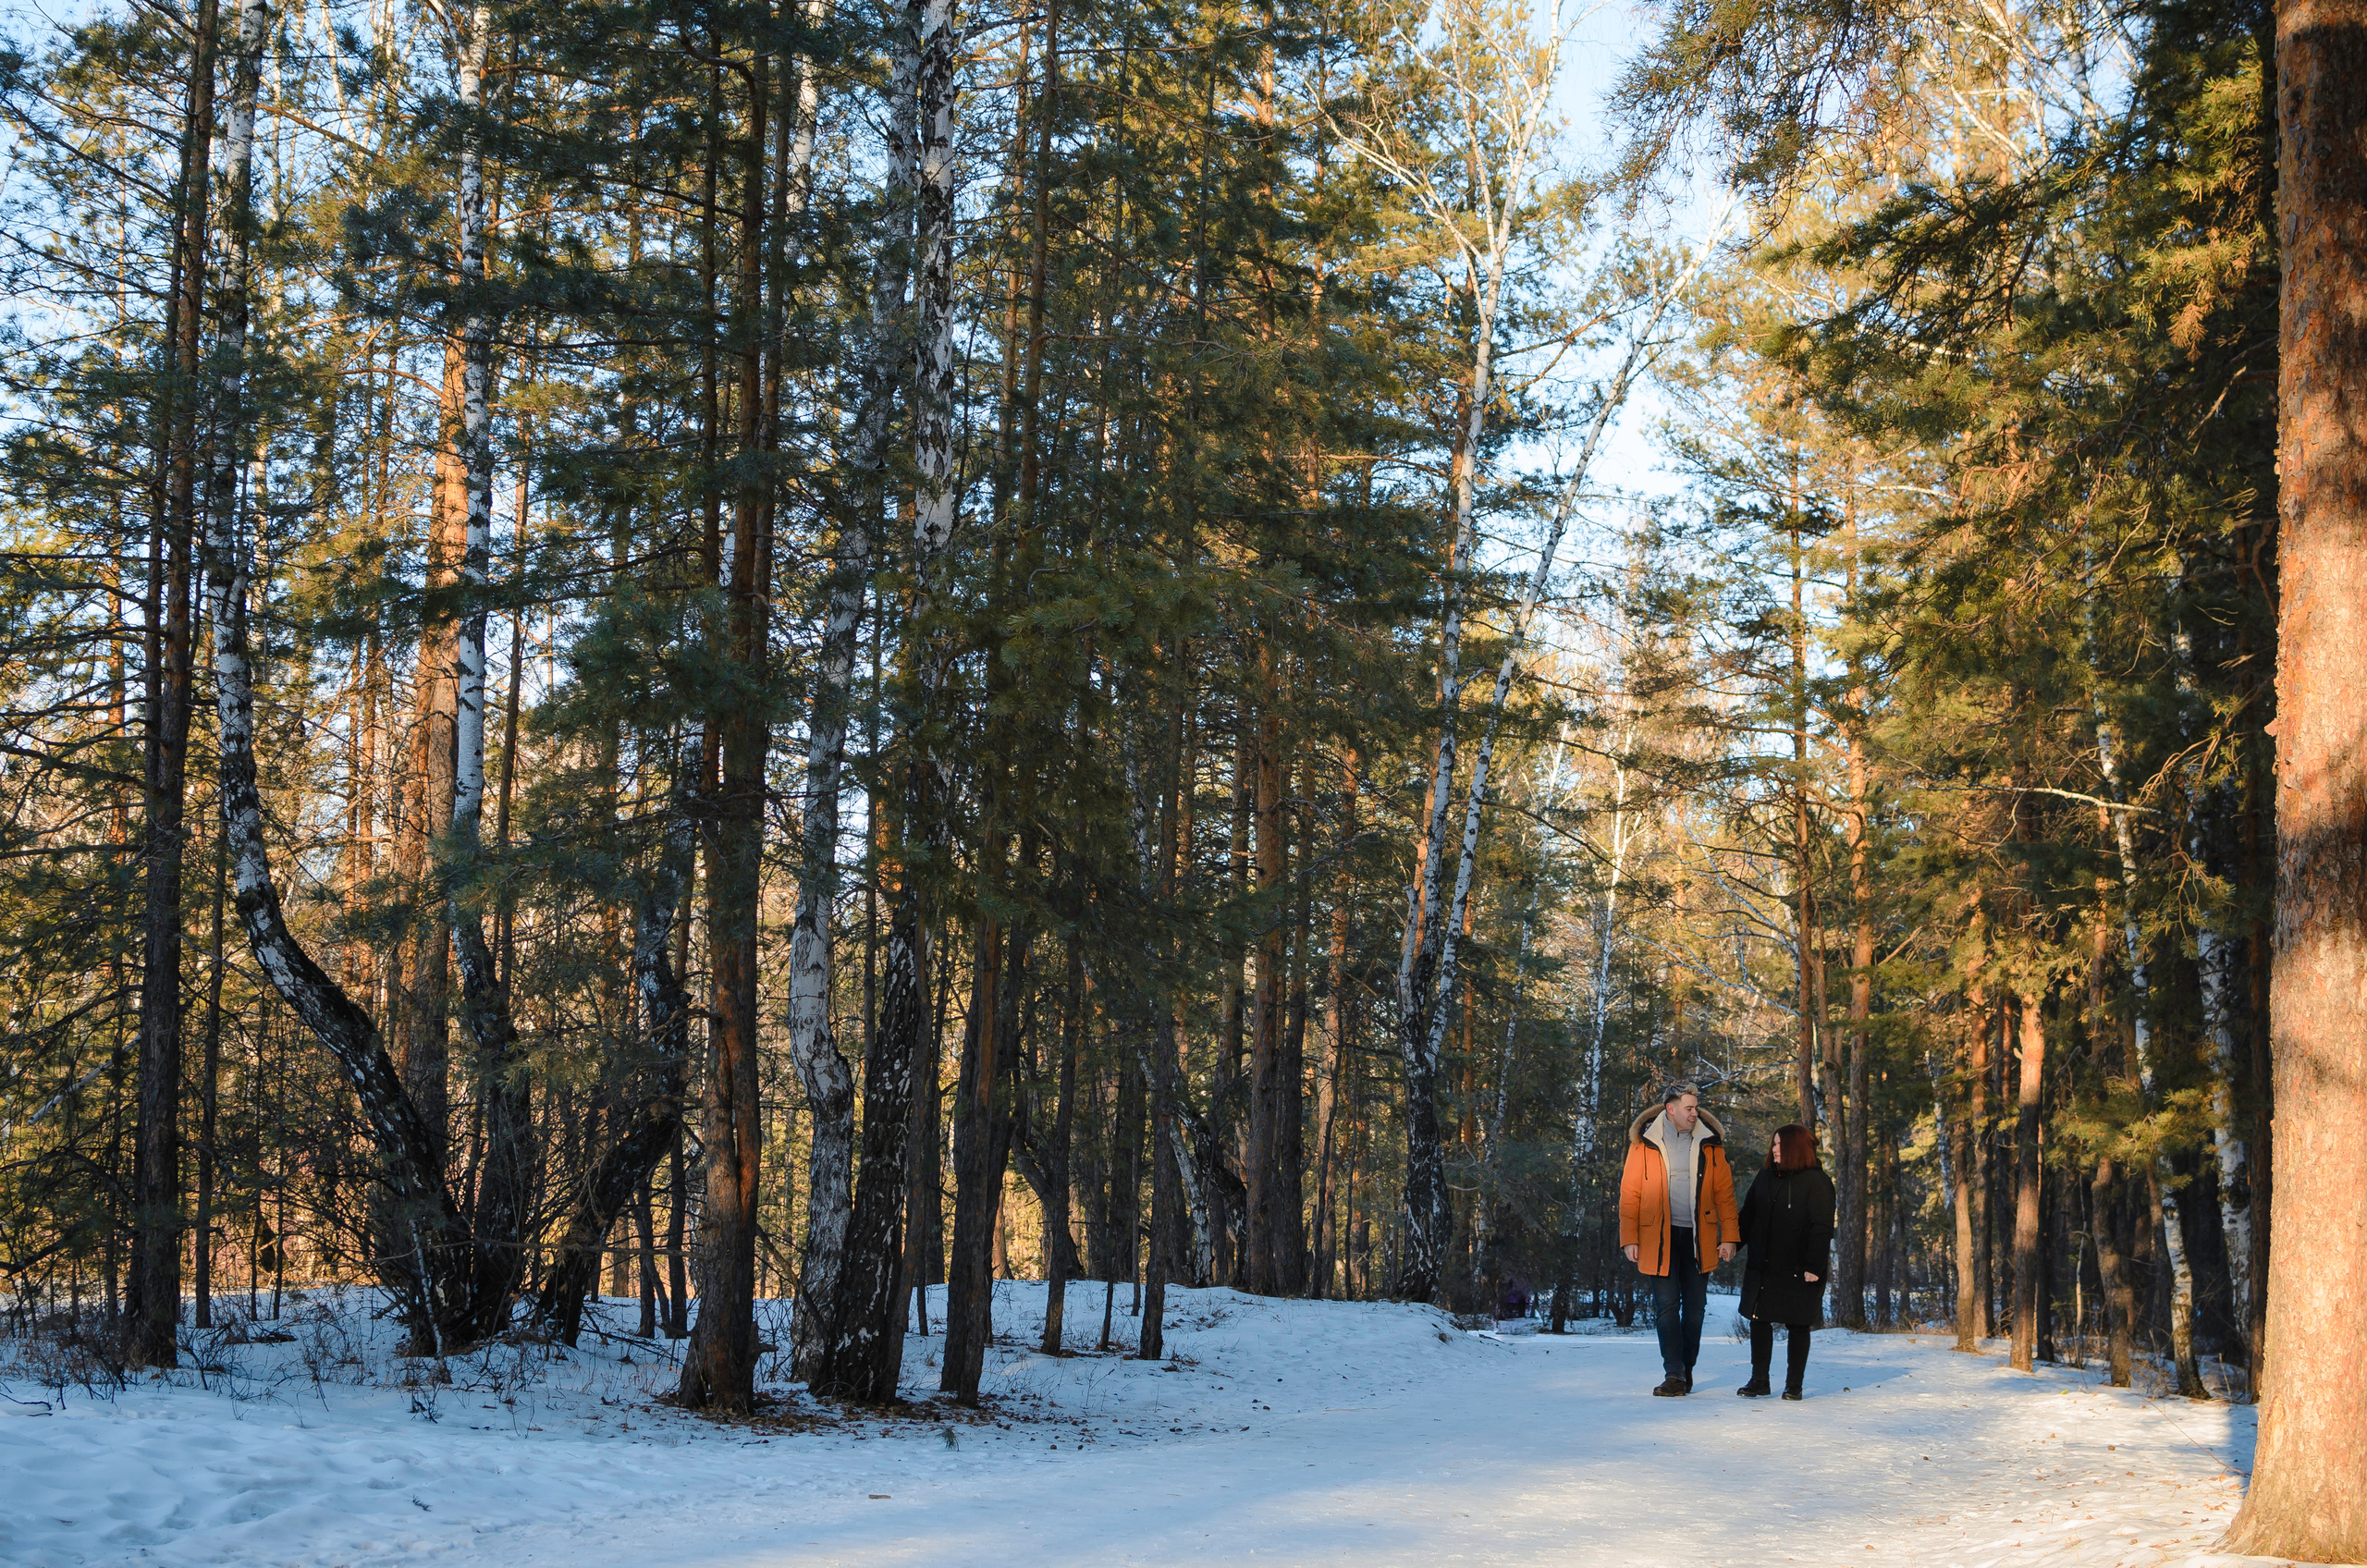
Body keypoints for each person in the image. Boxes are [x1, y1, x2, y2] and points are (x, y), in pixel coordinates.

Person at [1619, 1084, 1739, 1396]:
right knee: (1667, 1306)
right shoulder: (1644, 1143)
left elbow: (1725, 1194)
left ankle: (1686, 1369)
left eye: (1696, 1107)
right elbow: (1630, 1194)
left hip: (1699, 1237)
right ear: (1670, 1109)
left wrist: (1730, 1237)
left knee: (1695, 1309)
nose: (1695, 1113)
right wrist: (1629, 1238)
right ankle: (1674, 1373)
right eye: (1689, 1108)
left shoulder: (1711, 1144)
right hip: (1658, 1238)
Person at [1735, 1121, 1836, 1400]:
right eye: (1774, 1143)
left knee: (1798, 1323)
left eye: (1780, 1144)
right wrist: (1732, 1244)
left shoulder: (1817, 1182)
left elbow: (1821, 1228)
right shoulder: (1765, 1176)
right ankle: (1759, 1380)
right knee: (1759, 1319)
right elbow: (1747, 1215)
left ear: (1795, 1147)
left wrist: (1813, 1267)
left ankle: (1794, 1384)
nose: (1774, 1149)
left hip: (1799, 1268)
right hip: (1763, 1264)